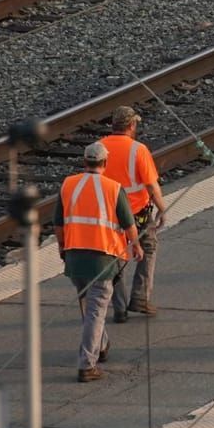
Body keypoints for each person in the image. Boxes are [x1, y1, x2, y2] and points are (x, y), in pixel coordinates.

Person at [51, 141, 137, 383]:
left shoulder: (68, 185)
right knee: (96, 312)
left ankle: (102, 345)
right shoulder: (113, 187)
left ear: (84, 161)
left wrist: (61, 247)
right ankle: (87, 364)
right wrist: (137, 246)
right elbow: (129, 224)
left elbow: (58, 223)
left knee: (89, 308)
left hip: (75, 259)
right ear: (105, 163)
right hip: (103, 259)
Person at [100, 105, 166, 322]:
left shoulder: (99, 147)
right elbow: (151, 185)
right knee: (148, 248)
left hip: (108, 214)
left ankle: (119, 307)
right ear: (131, 125)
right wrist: (162, 208)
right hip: (137, 213)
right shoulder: (138, 150)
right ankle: (140, 298)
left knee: (115, 257)